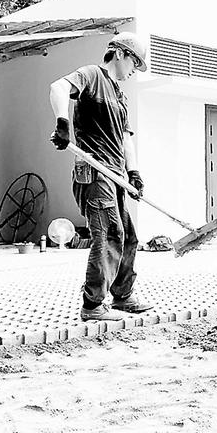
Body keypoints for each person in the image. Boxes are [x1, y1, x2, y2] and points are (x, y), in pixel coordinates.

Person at [49, 32, 154, 322]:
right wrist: (62, 123)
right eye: (134, 62)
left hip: (116, 175)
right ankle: (92, 304)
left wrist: (133, 172)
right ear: (119, 53)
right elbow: (58, 87)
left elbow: (126, 139)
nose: (134, 70)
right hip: (95, 173)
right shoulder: (92, 76)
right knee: (108, 234)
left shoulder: (120, 95)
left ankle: (123, 295)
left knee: (128, 236)